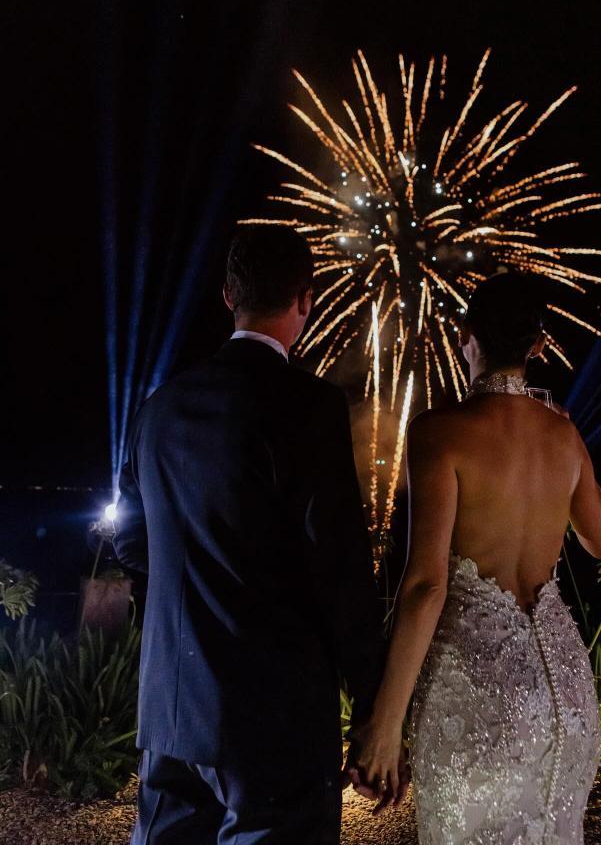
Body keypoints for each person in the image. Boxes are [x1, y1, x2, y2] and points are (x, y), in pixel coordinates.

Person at [114, 225, 388, 845]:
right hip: (273, 715)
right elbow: (339, 566)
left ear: (227, 295)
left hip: (171, 711)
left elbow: (130, 542)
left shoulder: (160, 406)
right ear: (306, 299)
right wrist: (373, 703)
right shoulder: (310, 406)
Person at [351, 272, 601, 844]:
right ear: (538, 345)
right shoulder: (563, 436)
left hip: (480, 692)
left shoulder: (441, 433)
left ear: (464, 335)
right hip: (565, 693)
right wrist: (572, 445)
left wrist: (385, 724)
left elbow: (425, 586)